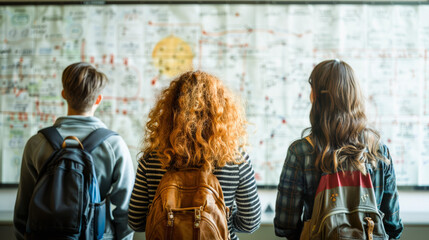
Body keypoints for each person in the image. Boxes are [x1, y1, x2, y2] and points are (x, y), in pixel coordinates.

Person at [274, 59, 404, 239]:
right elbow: (393, 225)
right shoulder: (378, 151)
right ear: (355, 95)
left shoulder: (301, 152)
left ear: (315, 96)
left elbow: (285, 225)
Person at [128, 70, 261, 240]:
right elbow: (250, 222)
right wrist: (219, 217)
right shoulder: (235, 159)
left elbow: (136, 221)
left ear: (170, 111)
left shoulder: (153, 158)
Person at [14, 62, 135, 240]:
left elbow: (23, 208)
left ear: (64, 94)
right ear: (98, 99)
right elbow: (125, 210)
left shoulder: (36, 143)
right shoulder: (114, 145)